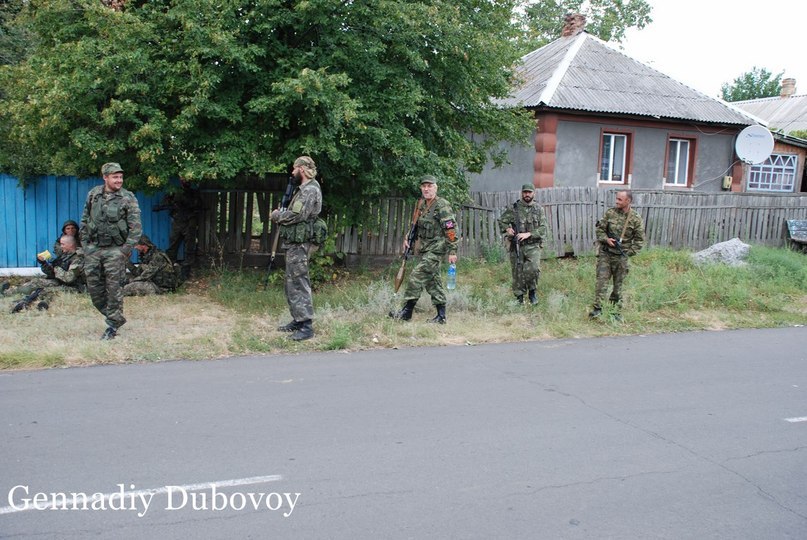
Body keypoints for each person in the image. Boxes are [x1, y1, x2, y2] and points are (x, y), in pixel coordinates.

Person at [79, 162, 142, 340]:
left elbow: (136, 228)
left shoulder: (127, 197)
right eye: (115, 177)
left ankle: (113, 325)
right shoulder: (94, 194)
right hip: (93, 249)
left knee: (114, 289)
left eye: (120, 177)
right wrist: (85, 245)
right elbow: (84, 220)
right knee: (94, 289)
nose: (119, 180)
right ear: (105, 177)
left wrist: (125, 250)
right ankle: (114, 316)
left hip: (115, 250)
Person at [389, 175, 459, 324]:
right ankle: (441, 316)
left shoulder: (442, 205)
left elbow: (451, 229)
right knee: (433, 281)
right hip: (426, 248)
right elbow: (416, 224)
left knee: (416, 275)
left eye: (429, 186)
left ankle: (407, 312)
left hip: (437, 248)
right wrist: (408, 237)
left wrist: (453, 251)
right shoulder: (421, 204)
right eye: (424, 186)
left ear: (435, 188)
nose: (426, 189)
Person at [271, 156, 322, 341]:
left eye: (294, 169)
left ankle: (306, 326)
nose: (292, 172)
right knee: (291, 282)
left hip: (300, 244)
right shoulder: (302, 189)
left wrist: (277, 215)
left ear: (302, 169)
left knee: (299, 282)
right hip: (294, 243)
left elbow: (298, 215)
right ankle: (298, 320)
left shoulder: (310, 190)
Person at [589, 190, 645, 320]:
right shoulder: (610, 213)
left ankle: (615, 312)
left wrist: (627, 253)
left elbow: (639, 241)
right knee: (601, 282)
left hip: (621, 257)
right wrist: (606, 239)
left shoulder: (635, 219)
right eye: (617, 199)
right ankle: (597, 309)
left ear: (628, 201)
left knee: (618, 285)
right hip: (606, 254)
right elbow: (600, 229)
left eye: (620, 199)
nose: (616, 201)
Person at [498, 183, 548, 305]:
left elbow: (543, 229)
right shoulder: (514, 208)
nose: (527, 194)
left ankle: (532, 292)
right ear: (522, 193)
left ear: (534, 193)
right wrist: (507, 229)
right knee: (517, 272)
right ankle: (519, 298)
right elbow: (502, 221)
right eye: (525, 192)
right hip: (517, 245)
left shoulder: (538, 209)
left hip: (533, 245)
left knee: (533, 269)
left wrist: (529, 234)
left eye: (529, 192)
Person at [2, 235, 85, 297]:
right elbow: (53, 273)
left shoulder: (78, 258)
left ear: (70, 244)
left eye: (63, 244)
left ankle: (14, 293)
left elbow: (68, 278)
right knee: (36, 282)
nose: (61, 246)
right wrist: (44, 264)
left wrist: (56, 268)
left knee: (42, 291)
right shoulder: (66, 255)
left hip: (74, 287)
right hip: (60, 282)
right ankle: (8, 292)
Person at [157, 178, 205, 279]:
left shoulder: (194, 193)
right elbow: (164, 203)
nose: (186, 181)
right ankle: (169, 270)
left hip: (190, 222)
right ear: (180, 180)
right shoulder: (174, 192)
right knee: (172, 247)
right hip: (178, 222)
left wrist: (192, 209)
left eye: (187, 179)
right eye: (183, 179)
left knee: (189, 248)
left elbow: (200, 206)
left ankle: (186, 272)